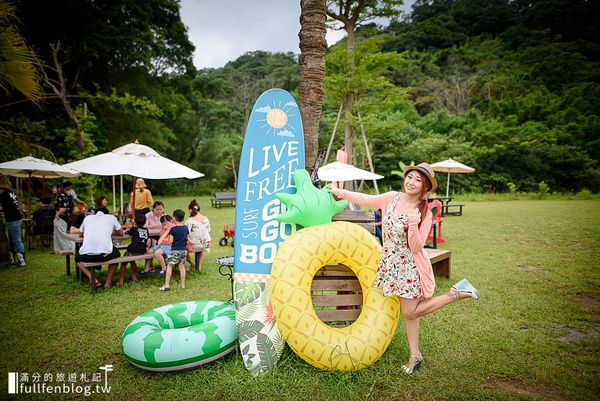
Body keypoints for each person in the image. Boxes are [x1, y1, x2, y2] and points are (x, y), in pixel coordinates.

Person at [329, 162, 480, 374]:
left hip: (409, 267)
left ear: (424, 187)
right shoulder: (391, 197)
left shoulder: (424, 211)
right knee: (408, 313)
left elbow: (418, 247)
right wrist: (340, 192)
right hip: (390, 263)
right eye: (410, 177)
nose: (411, 182)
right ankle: (415, 355)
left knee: (410, 312)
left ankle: (456, 293)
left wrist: (412, 225)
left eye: (418, 180)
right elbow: (364, 199)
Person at [75, 208, 123, 289]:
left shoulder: (87, 218)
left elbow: (80, 235)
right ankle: (108, 282)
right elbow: (121, 233)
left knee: (77, 259)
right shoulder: (111, 217)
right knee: (117, 255)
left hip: (86, 255)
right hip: (104, 255)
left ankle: (93, 279)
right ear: (107, 214)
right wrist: (109, 231)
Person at [159, 209, 188, 291]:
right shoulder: (185, 228)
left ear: (174, 218)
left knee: (169, 266)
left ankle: (167, 285)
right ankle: (182, 285)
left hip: (175, 250)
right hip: (184, 251)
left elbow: (171, 241)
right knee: (181, 267)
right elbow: (186, 238)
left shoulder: (173, 229)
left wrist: (168, 241)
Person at [0, 175, 26, 266]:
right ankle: (13, 259)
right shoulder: (11, 192)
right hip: (16, 217)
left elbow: (7, 207)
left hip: (12, 219)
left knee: (16, 240)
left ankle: (22, 261)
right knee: (12, 240)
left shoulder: (3, 195)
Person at [118, 213, 150, 285]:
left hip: (133, 250)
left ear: (135, 222)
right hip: (142, 250)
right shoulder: (146, 230)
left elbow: (126, 232)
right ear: (145, 222)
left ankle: (121, 280)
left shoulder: (134, 229)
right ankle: (134, 276)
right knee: (132, 260)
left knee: (123, 263)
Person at [185, 199, 211, 271]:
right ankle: (198, 268)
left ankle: (193, 264)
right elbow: (208, 230)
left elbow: (185, 233)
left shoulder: (189, 221)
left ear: (190, 210)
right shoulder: (206, 219)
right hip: (205, 244)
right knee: (200, 246)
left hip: (194, 245)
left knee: (181, 249)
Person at [51, 182, 75, 253]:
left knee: (62, 234)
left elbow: (64, 207)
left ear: (59, 188)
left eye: (54, 188)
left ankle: (72, 247)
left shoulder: (61, 196)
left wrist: (57, 214)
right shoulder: (60, 196)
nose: (52, 189)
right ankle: (58, 249)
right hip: (60, 217)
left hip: (62, 218)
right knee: (57, 234)